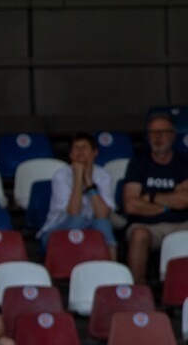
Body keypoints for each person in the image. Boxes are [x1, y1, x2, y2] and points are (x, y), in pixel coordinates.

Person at [123, 113, 188, 283]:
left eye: (163, 132)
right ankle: (137, 292)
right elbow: (130, 205)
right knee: (139, 234)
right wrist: (169, 203)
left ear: (173, 135)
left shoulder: (184, 162)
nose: (158, 137)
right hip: (147, 226)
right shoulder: (138, 163)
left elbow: (185, 200)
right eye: (153, 132)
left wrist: (150, 197)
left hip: (181, 225)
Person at [37, 133, 117, 260]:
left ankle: (113, 270)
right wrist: (78, 179)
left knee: (102, 223)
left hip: (91, 229)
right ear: (70, 155)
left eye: (84, 147)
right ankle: (69, 270)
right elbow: (74, 212)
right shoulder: (61, 175)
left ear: (94, 153)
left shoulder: (104, 176)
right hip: (55, 234)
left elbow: (102, 214)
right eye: (76, 148)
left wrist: (89, 181)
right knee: (77, 220)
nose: (80, 152)